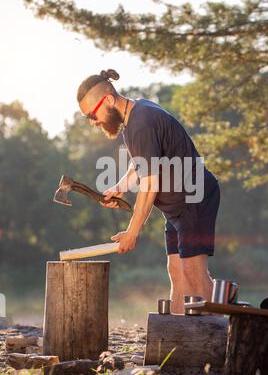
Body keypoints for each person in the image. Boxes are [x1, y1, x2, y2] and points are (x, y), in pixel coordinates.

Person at [77, 68, 221, 314]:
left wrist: (133, 232)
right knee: (176, 272)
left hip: (194, 200)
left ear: (109, 99)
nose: (93, 122)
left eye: (92, 114)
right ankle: (176, 338)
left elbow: (150, 184)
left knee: (193, 273)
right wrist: (120, 187)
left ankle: (221, 338)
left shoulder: (142, 122)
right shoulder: (133, 116)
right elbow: (142, 163)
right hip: (176, 208)